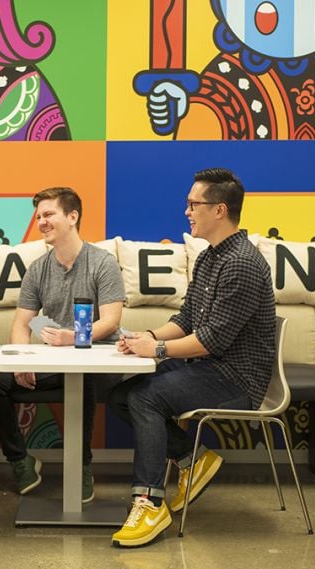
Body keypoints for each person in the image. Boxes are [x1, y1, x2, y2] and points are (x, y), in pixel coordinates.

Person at [109, 168, 276, 547]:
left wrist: (158, 350)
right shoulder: (210, 258)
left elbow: (212, 341)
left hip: (236, 379)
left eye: (193, 204)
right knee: (120, 394)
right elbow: (187, 319)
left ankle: (150, 503)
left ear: (219, 210)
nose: (186, 211)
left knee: (144, 397)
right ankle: (192, 459)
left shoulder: (243, 264)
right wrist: (148, 337)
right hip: (207, 368)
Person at [0, 187, 125, 502]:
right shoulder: (38, 269)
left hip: (101, 361)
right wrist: (20, 360)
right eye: (39, 216)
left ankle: (81, 467)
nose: (41, 222)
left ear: (72, 217)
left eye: (49, 214)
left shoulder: (103, 262)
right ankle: (20, 461)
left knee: (81, 378)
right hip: (56, 361)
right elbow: (21, 323)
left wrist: (74, 337)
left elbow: (111, 321)